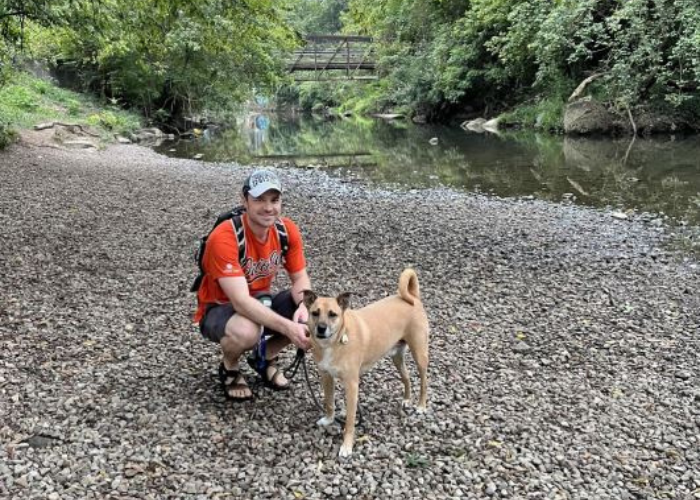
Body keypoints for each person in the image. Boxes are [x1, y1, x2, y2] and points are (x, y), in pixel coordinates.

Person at [194, 169, 311, 401]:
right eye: (259, 200)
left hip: (260, 301)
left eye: (274, 200)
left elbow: (300, 279)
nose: (268, 208)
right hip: (220, 308)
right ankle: (230, 367)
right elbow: (241, 302)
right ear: (244, 200)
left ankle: (264, 357)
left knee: (314, 315)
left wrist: (304, 308)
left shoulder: (286, 230)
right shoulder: (225, 237)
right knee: (248, 331)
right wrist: (289, 328)